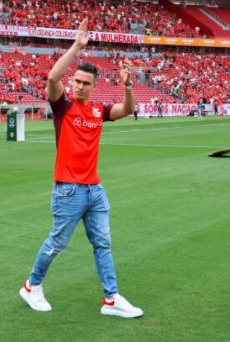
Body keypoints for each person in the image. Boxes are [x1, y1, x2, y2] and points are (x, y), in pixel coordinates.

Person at [19, 19, 143, 319]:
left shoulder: (98, 110)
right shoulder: (63, 106)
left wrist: (127, 86)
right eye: (76, 81)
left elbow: (127, 109)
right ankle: (31, 285)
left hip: (94, 190)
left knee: (103, 242)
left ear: (94, 87)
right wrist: (76, 45)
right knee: (57, 242)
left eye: (85, 83)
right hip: (68, 189)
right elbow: (51, 78)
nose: (79, 86)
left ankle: (111, 298)